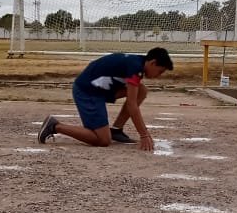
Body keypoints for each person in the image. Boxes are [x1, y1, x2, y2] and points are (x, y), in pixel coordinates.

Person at [37, 47, 174, 152]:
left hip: (100, 89)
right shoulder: (135, 67)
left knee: (141, 90)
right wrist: (144, 135)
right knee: (102, 140)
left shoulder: (137, 62)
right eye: (160, 71)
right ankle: (55, 126)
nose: (158, 76)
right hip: (87, 91)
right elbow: (132, 105)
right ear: (153, 63)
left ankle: (116, 130)